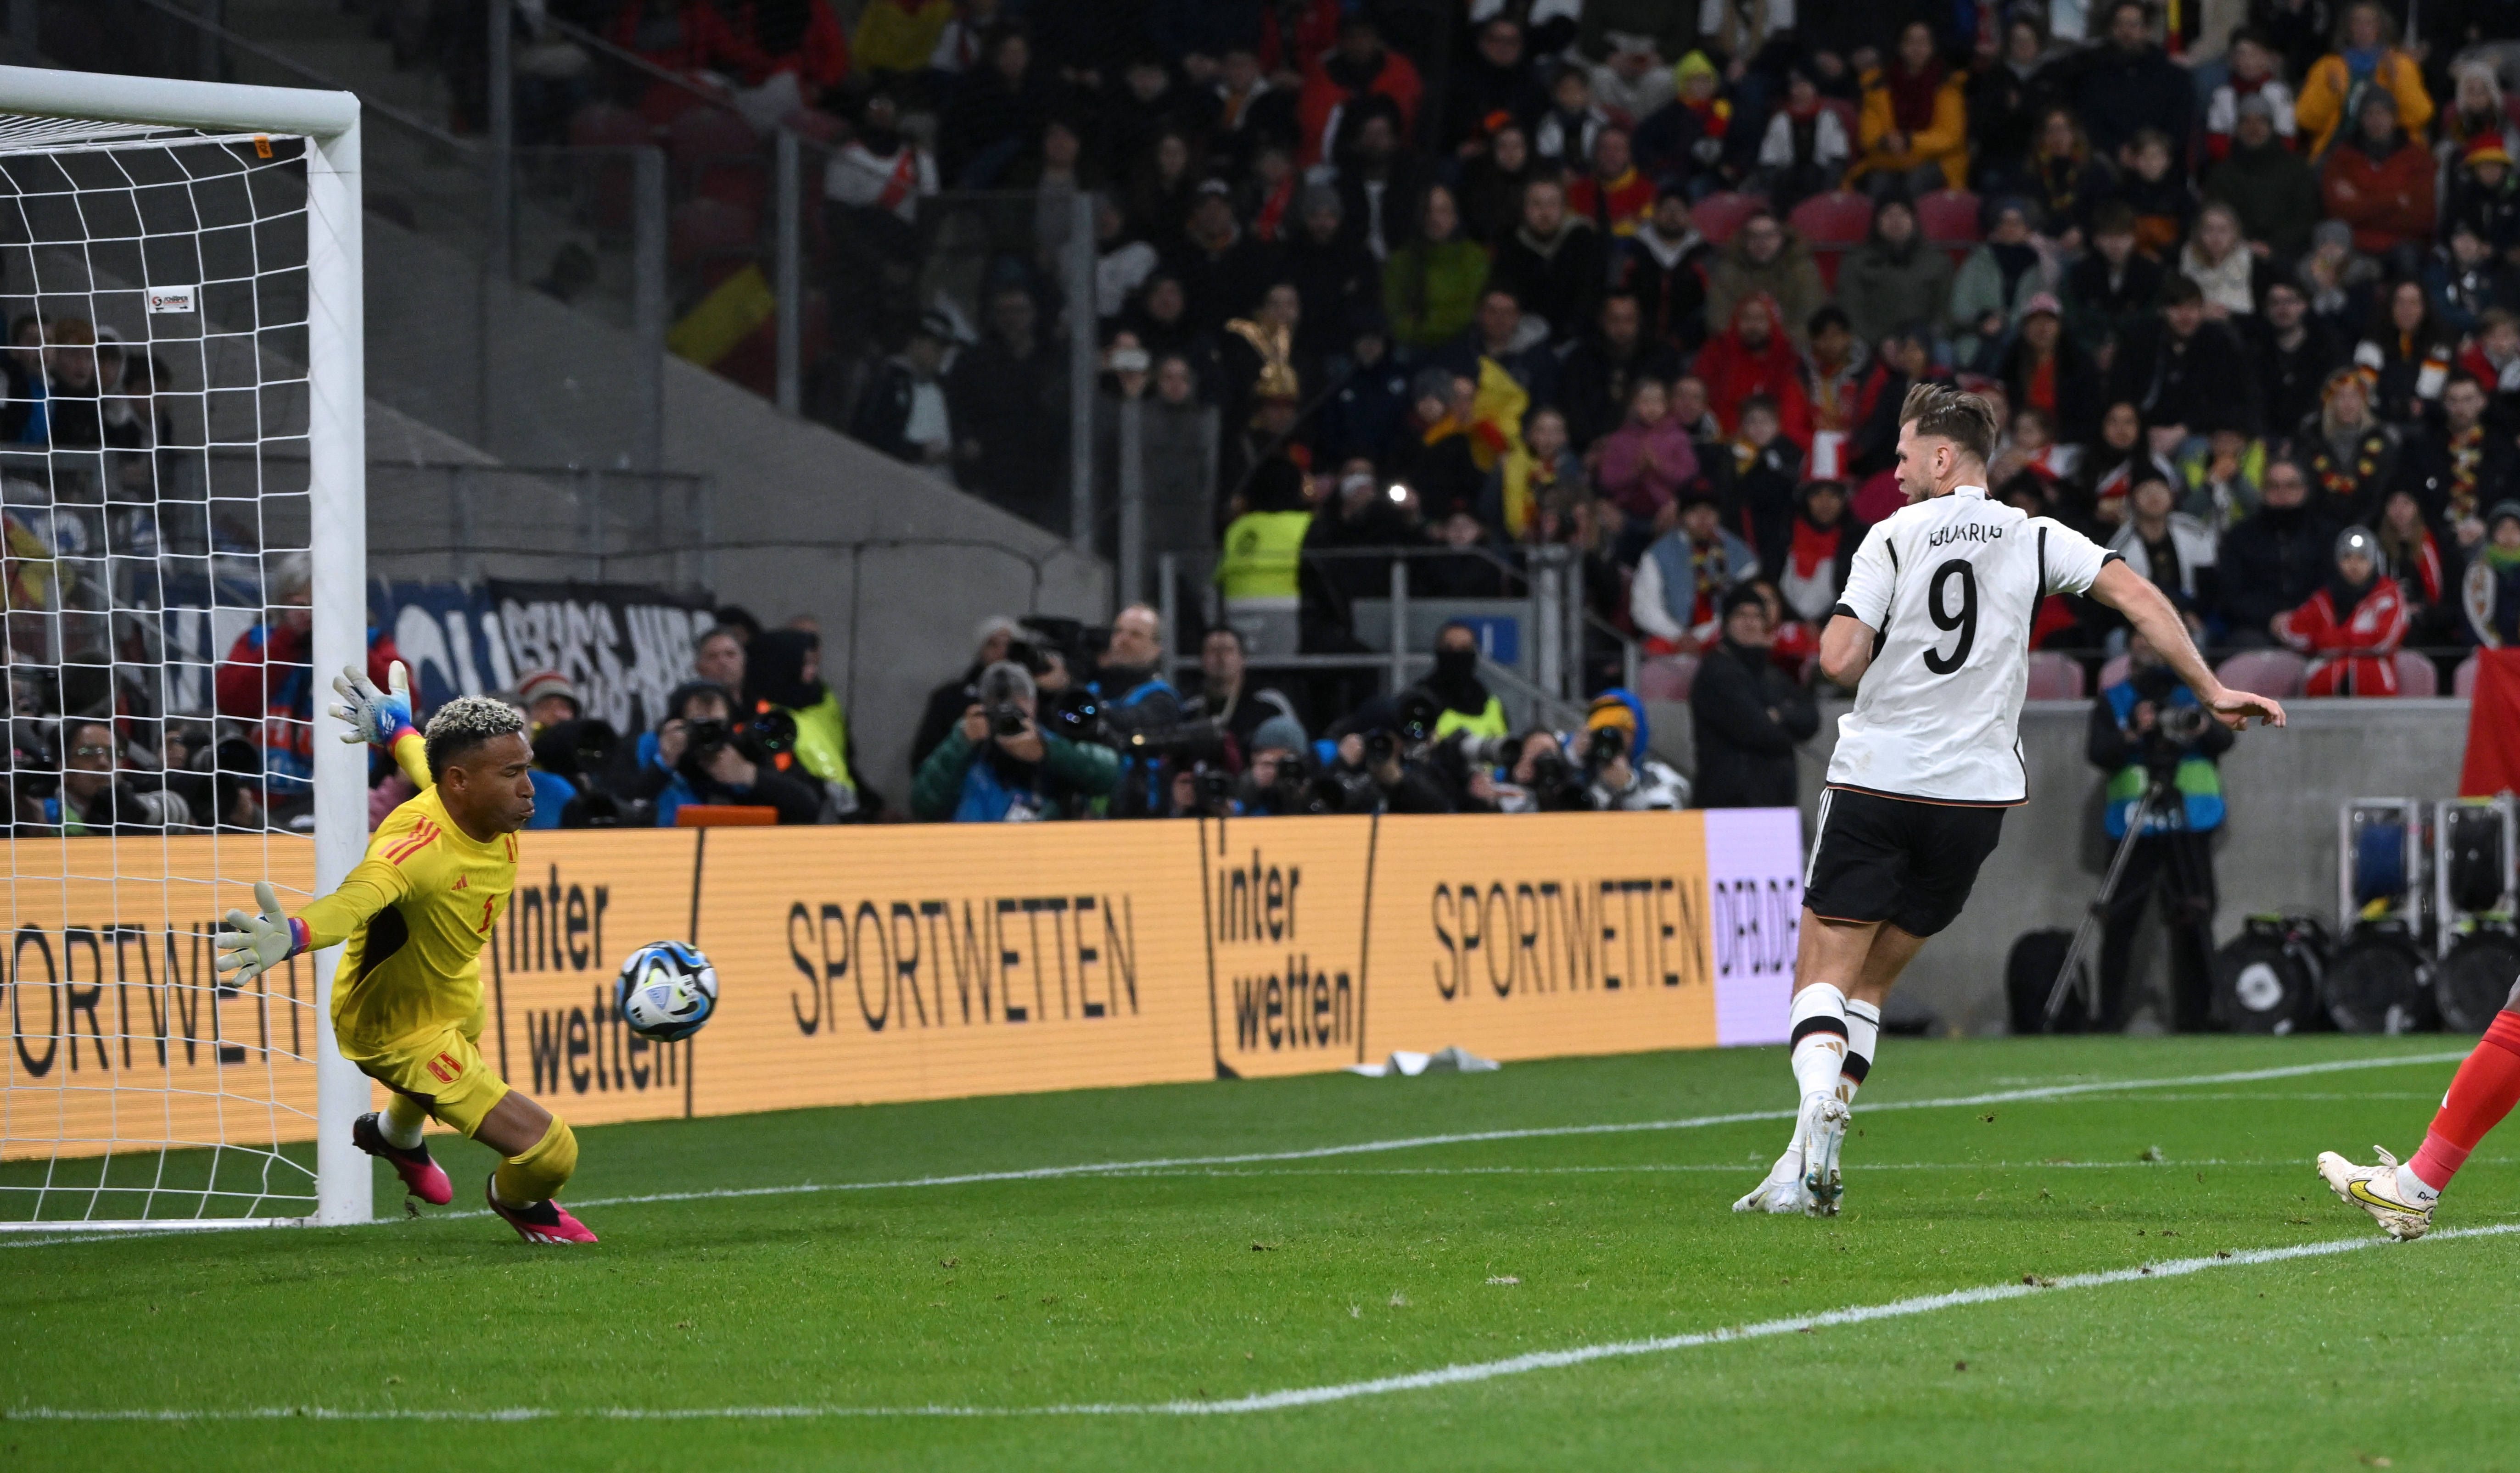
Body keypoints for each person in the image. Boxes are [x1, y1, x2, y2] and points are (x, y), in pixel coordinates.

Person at [1734, 383, 2285, 1217]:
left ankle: (1813, 1108)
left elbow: (1841, 658)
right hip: (1975, 803)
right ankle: (1804, 1162)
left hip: (1881, 780)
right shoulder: (2035, 535)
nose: (1894, 469)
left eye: (1904, 453)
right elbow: (2137, 596)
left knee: (1822, 971)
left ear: (1942, 456)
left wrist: (1858, 632)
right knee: (1872, 988)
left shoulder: (1891, 535)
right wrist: (2208, 688)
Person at [217, 683, 599, 1243]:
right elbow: (355, 900)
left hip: (450, 986)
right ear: (462, 783)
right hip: (394, 1027)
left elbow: (420, 755)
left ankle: (395, 1136)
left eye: (527, 768)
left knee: (470, 1016)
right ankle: (515, 1199)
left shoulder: (464, 792)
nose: (528, 789)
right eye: (512, 773)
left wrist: (396, 727)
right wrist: (296, 932)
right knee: (552, 1150)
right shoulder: (416, 849)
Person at [2084, 630, 2234, 1031]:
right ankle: (2110, 1017)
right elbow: (2098, 752)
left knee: (2195, 918)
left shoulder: (2199, 694)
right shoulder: (2115, 699)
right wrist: (2134, 732)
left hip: (2188, 822)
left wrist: (2200, 727)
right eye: (2142, 637)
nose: (2150, 646)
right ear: (2130, 645)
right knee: (2120, 924)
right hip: (2134, 823)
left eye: (2158, 638)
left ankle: (2199, 1017)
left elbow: (2225, 739)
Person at [912, 659, 1121, 820]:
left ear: (1034, 705)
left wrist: (1048, 751)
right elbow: (923, 804)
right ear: (984, 705)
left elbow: (1110, 773)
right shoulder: (968, 738)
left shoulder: (1044, 739)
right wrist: (961, 741)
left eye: (1018, 700)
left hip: (1039, 856)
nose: (1008, 713)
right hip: (972, 855)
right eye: (999, 702)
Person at [1690, 584, 1820, 808]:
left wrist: (1777, 714)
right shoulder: (1716, 671)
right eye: (1741, 615)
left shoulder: (1770, 673)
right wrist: (1786, 724)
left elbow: (1811, 718)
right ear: (1727, 622)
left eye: (1757, 616)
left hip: (1775, 804)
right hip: (1728, 807)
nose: (1750, 623)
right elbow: (1757, 730)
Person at [637, 680, 825, 826]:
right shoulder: (649, 747)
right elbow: (622, 804)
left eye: (717, 726)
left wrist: (749, 775)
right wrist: (663, 764)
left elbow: (807, 807)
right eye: (700, 726)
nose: (708, 736)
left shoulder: (739, 754)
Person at [743, 627, 872, 819]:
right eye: (804, 664)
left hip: (841, 810)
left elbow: (844, 760)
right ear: (783, 666)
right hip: (800, 817)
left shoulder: (821, 700)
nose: (812, 670)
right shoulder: (766, 716)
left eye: (813, 663)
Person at [2275, 524, 2411, 695]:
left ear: (2374, 561)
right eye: (2347, 558)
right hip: (2324, 686)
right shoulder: (2324, 598)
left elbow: (2383, 641)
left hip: (2375, 687)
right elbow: (2293, 631)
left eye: (2363, 558)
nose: (2354, 565)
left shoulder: (2389, 596)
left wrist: (2329, 642)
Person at [2218, 458, 2340, 645]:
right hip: (2258, 629)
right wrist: (2271, 618)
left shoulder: (2326, 535)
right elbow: (2232, 594)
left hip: (2317, 624)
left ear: (2305, 490)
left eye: (2291, 486)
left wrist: (2303, 617)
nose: (2282, 493)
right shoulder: (2240, 537)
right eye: (2274, 486)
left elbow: (2334, 586)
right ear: (2263, 491)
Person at [2294, 0, 2432, 159]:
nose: (2363, 29)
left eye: (2369, 23)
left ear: (2381, 27)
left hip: (2392, 151)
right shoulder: (2328, 67)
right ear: (2347, 28)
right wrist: (2331, 96)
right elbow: (2306, 120)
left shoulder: (2401, 65)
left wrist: (2397, 81)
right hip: (2339, 149)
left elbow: (2420, 116)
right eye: (2357, 22)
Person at [1849, 21, 1967, 197]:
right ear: (1900, 47)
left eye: (1923, 42)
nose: (1917, 48)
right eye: (1910, 42)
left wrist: (1911, 141)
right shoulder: (1878, 84)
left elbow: (1951, 137)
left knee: (1916, 183)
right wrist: (1885, 141)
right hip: (1889, 159)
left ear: (1933, 48)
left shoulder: (1948, 85)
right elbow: (1868, 136)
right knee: (1878, 184)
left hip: (1935, 160)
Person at [1632, 489, 1758, 653]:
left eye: (1710, 511)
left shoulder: (1740, 555)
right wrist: (1679, 636)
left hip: (1723, 636)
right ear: (1682, 516)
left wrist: (1703, 636)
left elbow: (1744, 602)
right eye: (1695, 512)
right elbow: (1644, 607)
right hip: (1670, 639)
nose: (1703, 518)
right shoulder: (1657, 555)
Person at [2319, 90, 2436, 263]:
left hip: (2401, 245)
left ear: (2394, 118)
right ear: (2360, 118)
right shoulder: (2341, 158)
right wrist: (2395, 201)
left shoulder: (2417, 158)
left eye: (2383, 113)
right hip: (2353, 243)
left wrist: (2360, 202)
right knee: (2327, 258)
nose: (2376, 120)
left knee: (2408, 258)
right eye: (2369, 113)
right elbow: (2337, 211)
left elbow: (2421, 218)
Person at [2204, 94, 2320, 265]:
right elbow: (2216, 217)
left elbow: (2306, 219)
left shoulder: (2297, 169)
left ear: (2271, 127)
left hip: (2287, 256)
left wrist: (2273, 246)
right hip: (2232, 255)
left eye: (2261, 122)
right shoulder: (2222, 173)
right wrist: (2243, 246)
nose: (2253, 129)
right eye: (2247, 122)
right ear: (2238, 128)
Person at [1381, 184, 1488, 354]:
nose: (1435, 219)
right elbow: (1396, 318)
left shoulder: (1474, 257)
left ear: (1456, 216)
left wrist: (1422, 325)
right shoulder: (1401, 262)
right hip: (1414, 350)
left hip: (1465, 347)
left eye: (1443, 211)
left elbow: (1474, 312)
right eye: (1428, 211)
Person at [1703, 210, 1826, 351]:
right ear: (1744, 240)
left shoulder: (1803, 269)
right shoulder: (1728, 271)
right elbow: (1718, 321)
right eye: (1754, 236)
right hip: (1739, 353)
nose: (1762, 242)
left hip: (1792, 352)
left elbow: (1811, 319)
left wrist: (1775, 347)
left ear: (1782, 237)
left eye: (1769, 235)